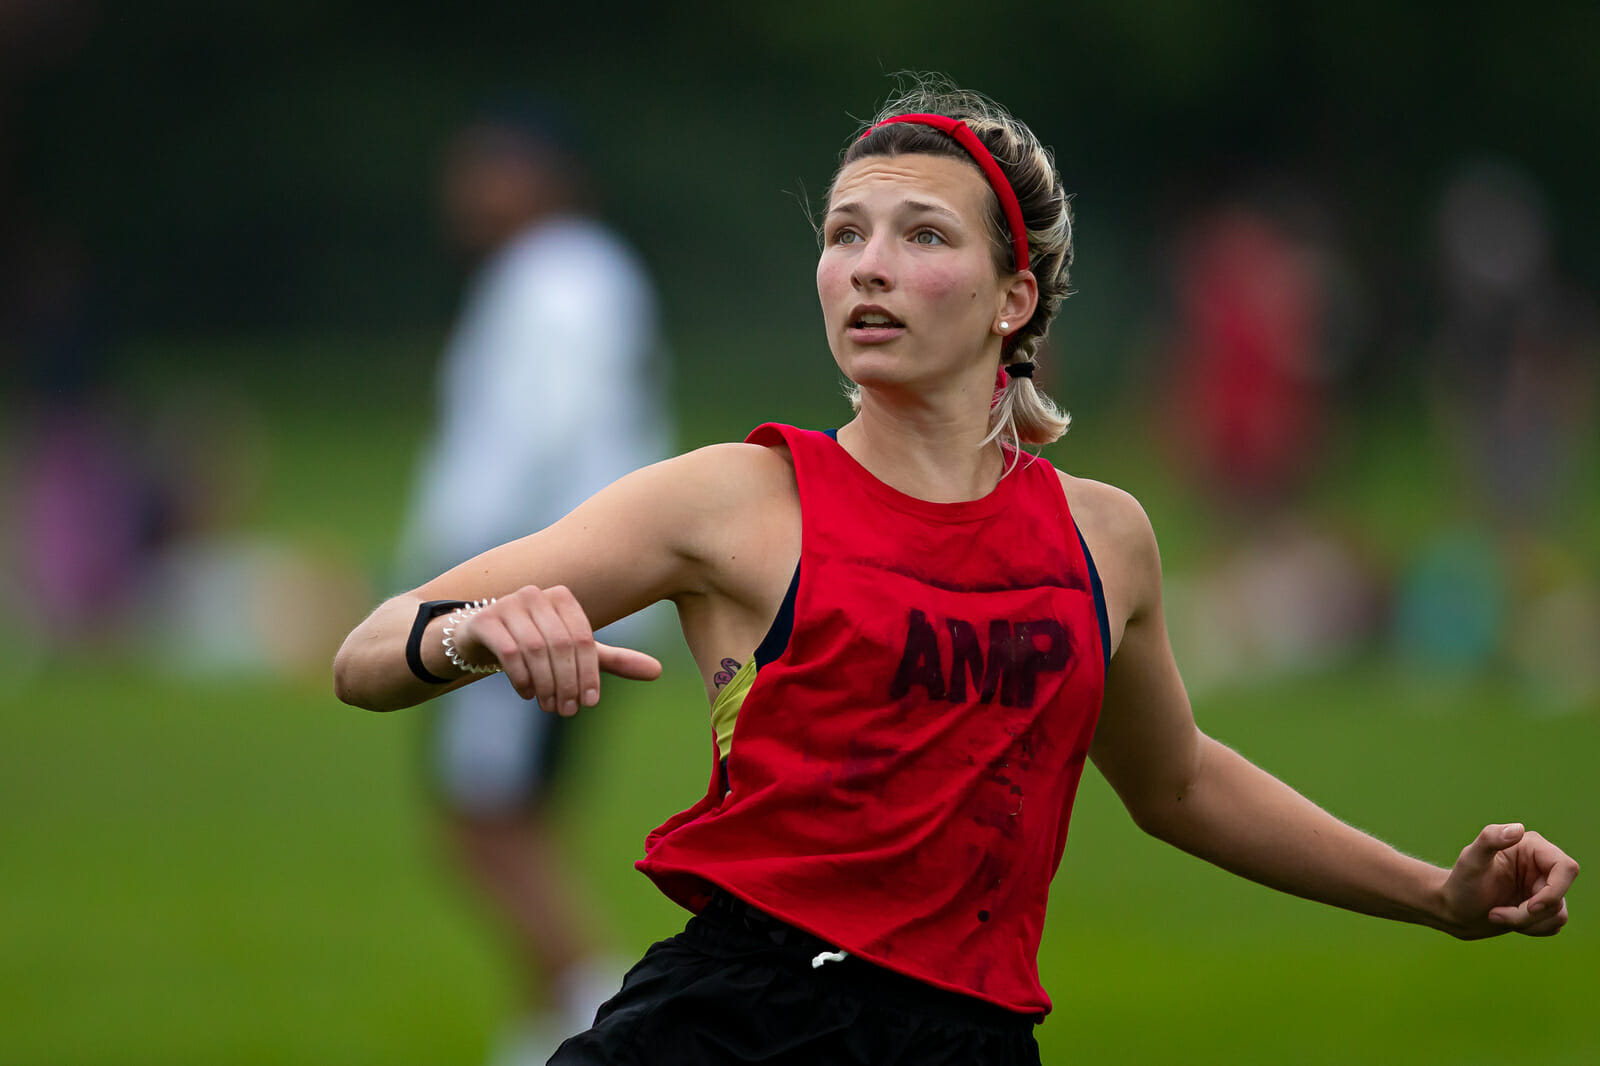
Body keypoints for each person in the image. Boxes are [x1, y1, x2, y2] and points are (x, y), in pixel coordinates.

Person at [336, 78, 1578, 1066]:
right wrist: (471, 636)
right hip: (731, 1021)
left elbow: (1180, 782)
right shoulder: (736, 498)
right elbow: (370, 649)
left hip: (971, 1041)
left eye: (920, 234)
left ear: (1010, 296)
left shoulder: (1103, 538)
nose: (866, 264)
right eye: (843, 233)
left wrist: (1436, 895)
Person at [392, 100, 670, 1063]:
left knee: (485, 824)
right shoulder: (569, 274)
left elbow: (537, 440)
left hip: (525, 596)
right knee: (515, 819)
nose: (467, 190)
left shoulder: (558, 280)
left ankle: (609, 1029)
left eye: (491, 168)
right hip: (554, 586)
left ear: (548, 177)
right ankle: (544, 1030)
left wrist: (462, 582)